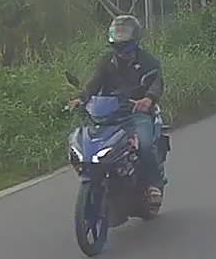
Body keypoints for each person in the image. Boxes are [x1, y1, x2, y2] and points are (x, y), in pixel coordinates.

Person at [69, 15, 166, 207]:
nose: (122, 52)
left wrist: (148, 99)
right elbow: (95, 82)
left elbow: (156, 82)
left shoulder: (148, 61)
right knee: (90, 143)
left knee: (145, 144)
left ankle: (154, 184)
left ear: (135, 41)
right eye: (118, 47)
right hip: (110, 114)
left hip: (137, 113)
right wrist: (81, 98)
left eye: (127, 47)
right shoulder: (106, 61)